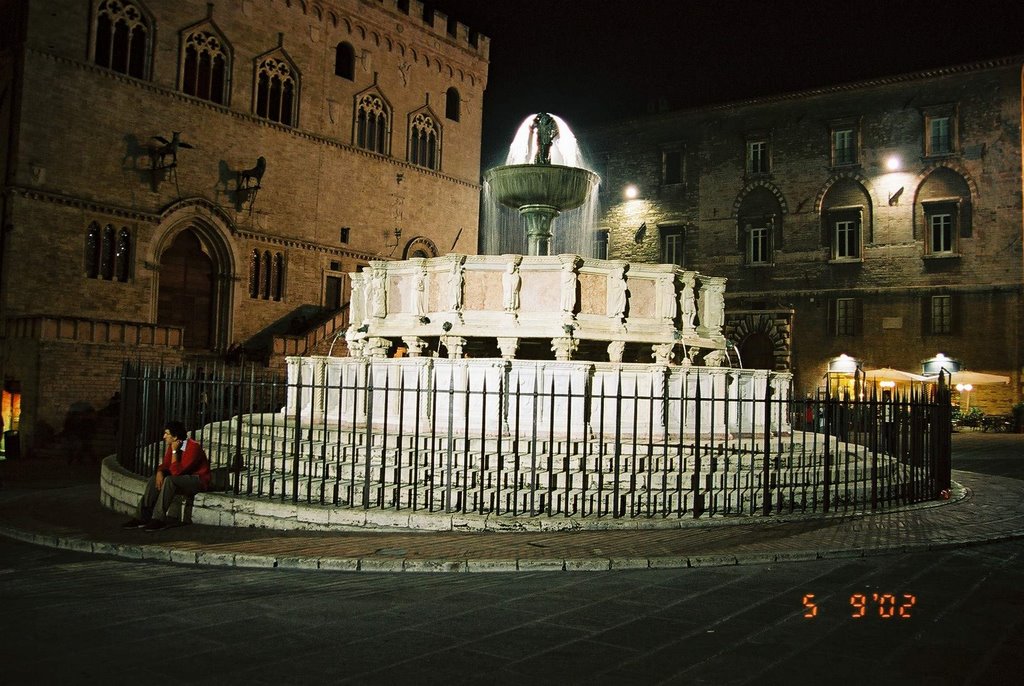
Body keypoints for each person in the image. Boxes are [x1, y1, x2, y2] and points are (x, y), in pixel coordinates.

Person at [122, 421, 211, 531]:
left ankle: (158, 519)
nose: (164, 437)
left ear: (175, 436)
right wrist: (160, 472)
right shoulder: (172, 445)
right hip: (181, 478)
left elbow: (176, 472)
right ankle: (142, 517)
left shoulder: (193, 447)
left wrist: (174, 451)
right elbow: (165, 464)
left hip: (197, 480)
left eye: (167, 434)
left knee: (169, 480)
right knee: (153, 479)